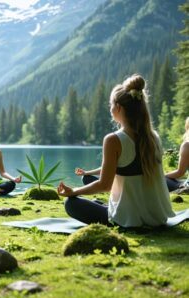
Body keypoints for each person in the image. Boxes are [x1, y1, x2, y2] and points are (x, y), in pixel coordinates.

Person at [57, 74, 175, 227]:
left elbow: (104, 185)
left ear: (118, 107)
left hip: (128, 220)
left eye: (111, 105)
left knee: (71, 204)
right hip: (157, 218)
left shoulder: (114, 140)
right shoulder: (154, 137)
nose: (110, 109)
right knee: (94, 196)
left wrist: (73, 191)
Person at [165, 117, 189, 192]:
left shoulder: (186, 146)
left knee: (163, 179)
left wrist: (162, 176)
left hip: (187, 187)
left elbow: (180, 172)